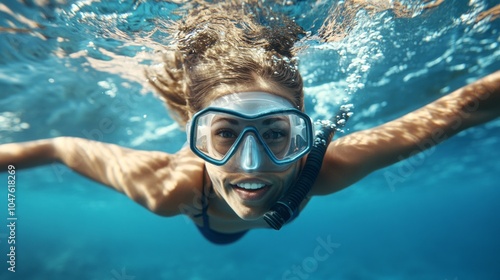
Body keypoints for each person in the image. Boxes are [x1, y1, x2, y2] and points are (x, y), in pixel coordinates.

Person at [1, 3, 499, 245]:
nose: (253, 165)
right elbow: (58, 146)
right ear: (193, 140)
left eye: (277, 134)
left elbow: (465, 109)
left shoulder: (314, 170)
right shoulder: (170, 187)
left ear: (302, 136)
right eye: (222, 135)